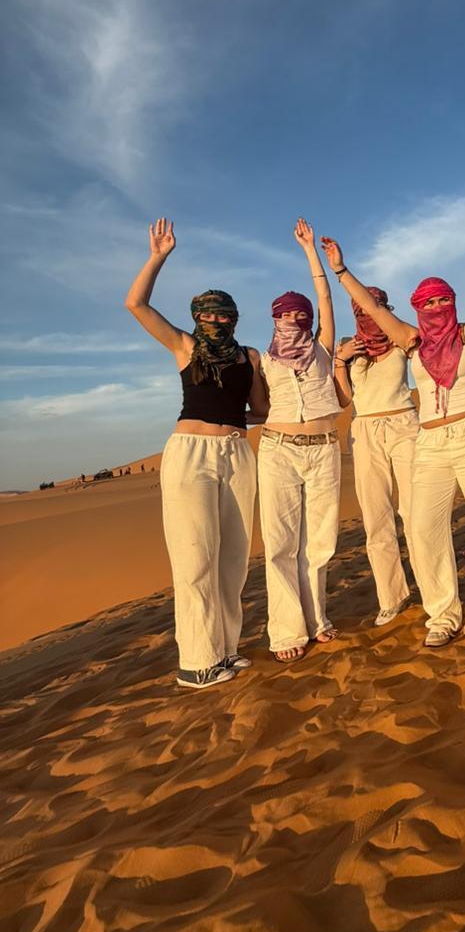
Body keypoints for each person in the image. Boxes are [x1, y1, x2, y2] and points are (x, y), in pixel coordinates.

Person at [321, 237, 465, 647]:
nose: (436, 309)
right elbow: (371, 308)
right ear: (416, 309)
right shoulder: (412, 340)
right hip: (430, 440)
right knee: (422, 525)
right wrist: (339, 269)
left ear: (453, 302)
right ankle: (442, 611)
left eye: (443, 301)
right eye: (427, 303)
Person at [124, 217, 267, 690]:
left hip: (237, 454)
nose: (219, 321)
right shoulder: (185, 347)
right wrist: (158, 256)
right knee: (195, 557)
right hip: (190, 457)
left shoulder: (249, 357)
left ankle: (224, 650)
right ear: (196, 317)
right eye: (210, 315)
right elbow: (136, 304)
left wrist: (237, 415)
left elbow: (260, 410)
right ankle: (196, 663)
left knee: (233, 559)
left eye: (226, 314)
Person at [257, 219, 351, 663]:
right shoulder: (263, 361)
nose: (294, 319)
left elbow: (326, 297)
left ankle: (318, 621)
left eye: (301, 314)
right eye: (286, 314)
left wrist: (310, 251)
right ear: (274, 319)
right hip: (277, 450)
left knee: (320, 542)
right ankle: (286, 631)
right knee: (280, 544)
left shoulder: (324, 347)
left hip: (325, 450)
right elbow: (256, 407)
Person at [335, 285, 420, 627]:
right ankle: (392, 596)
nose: (367, 314)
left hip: (404, 423)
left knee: (416, 511)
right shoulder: (349, 347)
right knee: (376, 517)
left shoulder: (401, 337)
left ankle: (432, 587)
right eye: (360, 310)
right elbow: (343, 400)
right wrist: (341, 360)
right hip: (365, 429)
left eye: (374, 307)